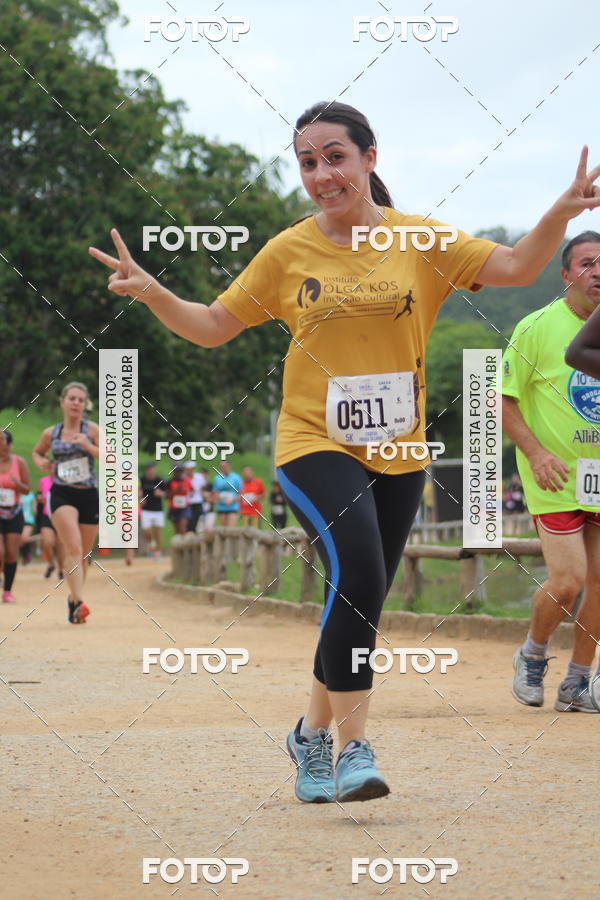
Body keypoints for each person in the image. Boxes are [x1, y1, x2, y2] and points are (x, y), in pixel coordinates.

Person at [90, 101, 600, 802]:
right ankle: (352, 746)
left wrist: (559, 214)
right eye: (308, 162)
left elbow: (516, 264)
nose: (322, 174)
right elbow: (212, 325)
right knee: (357, 572)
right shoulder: (288, 250)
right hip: (313, 441)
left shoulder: (421, 240)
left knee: (358, 599)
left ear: (369, 157)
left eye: (335, 156)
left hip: (400, 451)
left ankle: (306, 732)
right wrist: (152, 292)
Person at [503, 231, 600, 713]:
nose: (597, 271)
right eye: (586, 263)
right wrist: (536, 454)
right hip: (555, 475)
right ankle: (533, 652)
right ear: (566, 274)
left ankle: (578, 683)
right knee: (568, 580)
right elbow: (502, 399)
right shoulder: (536, 327)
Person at [32, 382, 100, 624]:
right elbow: (37, 452)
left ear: (85, 405)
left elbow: (110, 456)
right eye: (72, 398)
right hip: (62, 493)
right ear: (63, 402)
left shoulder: (91, 429)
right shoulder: (51, 433)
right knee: (73, 547)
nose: (76, 403)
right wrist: (41, 463)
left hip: (89, 495)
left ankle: (73, 600)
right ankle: (80, 603)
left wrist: (86, 445)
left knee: (83, 554)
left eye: (81, 400)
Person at [0, 430, 31, 603]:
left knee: (11, 553)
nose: (4, 448)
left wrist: (16, 484)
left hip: (13, 512)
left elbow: (27, 489)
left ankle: (7, 591)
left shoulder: (19, 462)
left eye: (7, 444)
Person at [38, 474, 64, 579]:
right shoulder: (43, 480)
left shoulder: (64, 480)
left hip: (62, 515)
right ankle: (51, 564)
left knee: (60, 544)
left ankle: (61, 569)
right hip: (47, 515)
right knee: (47, 542)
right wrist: (40, 498)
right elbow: (39, 495)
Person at [140, 462, 165, 559]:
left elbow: (166, 494)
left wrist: (161, 493)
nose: (151, 470)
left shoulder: (160, 480)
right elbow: (139, 492)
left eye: (152, 468)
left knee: (157, 532)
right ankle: (151, 544)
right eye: (149, 468)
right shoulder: (142, 480)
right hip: (146, 509)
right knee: (147, 532)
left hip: (158, 509)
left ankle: (158, 552)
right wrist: (141, 500)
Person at [212, 460, 242, 527]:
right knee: (223, 529)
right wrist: (217, 498)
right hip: (221, 506)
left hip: (232, 507)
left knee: (230, 528)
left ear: (229, 466)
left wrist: (233, 500)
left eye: (225, 466)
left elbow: (241, 493)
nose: (223, 468)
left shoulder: (236, 477)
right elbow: (215, 492)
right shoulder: (217, 478)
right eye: (221, 467)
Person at [167, 466, 192, 535]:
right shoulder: (170, 482)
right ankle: (179, 543)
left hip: (184, 507)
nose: (179, 474)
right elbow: (167, 496)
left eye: (180, 472)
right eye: (177, 472)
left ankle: (185, 543)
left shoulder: (187, 481)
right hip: (174, 508)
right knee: (177, 530)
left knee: (182, 526)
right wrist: (175, 490)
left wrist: (184, 490)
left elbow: (191, 491)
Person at [185, 460, 206, 532]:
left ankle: (192, 536)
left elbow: (202, 489)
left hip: (197, 502)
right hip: (187, 503)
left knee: (194, 523)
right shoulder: (184, 478)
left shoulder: (199, 477)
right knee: (188, 523)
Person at [19, 490, 36, 564]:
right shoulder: (16, 492)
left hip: (28, 519)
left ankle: (27, 555)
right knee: (19, 539)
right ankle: (24, 556)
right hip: (17, 519)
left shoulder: (30, 494)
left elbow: (34, 507)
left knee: (24, 538)